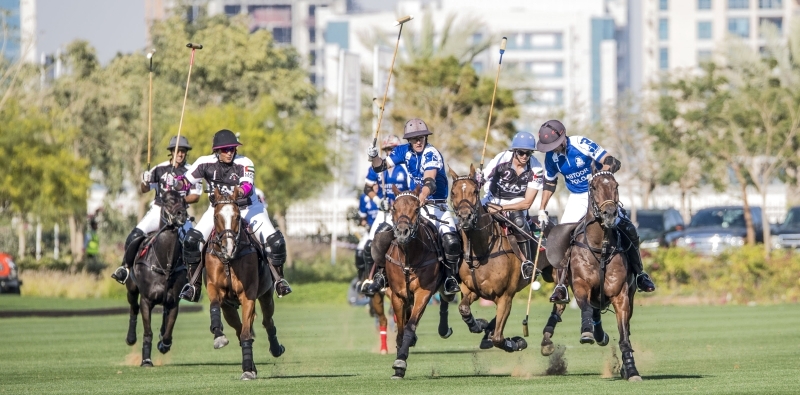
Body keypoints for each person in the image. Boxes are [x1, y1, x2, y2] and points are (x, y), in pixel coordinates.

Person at [535, 120, 656, 304]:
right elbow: (549, 183)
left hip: (600, 194)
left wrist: (600, 176)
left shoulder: (581, 143)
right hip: (577, 197)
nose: (553, 149)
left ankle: (640, 274)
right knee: (561, 235)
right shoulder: (551, 158)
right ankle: (561, 285)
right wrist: (542, 208)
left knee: (626, 227)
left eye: (555, 145)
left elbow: (609, 160)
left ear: (563, 136)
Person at [172, 129, 292, 301]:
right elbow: (185, 183)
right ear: (217, 151)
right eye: (225, 149)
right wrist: (175, 183)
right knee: (192, 242)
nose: (229, 152)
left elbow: (248, 186)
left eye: (232, 149)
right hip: (218, 210)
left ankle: (279, 281)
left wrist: (239, 192)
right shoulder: (204, 163)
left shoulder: (244, 162)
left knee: (276, 242)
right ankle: (193, 285)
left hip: (248, 208)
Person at [364, 119, 461, 296]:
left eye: (421, 137)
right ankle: (382, 274)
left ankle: (449, 277)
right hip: (413, 206)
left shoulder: (431, 153)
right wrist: (374, 157)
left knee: (451, 240)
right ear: (408, 140)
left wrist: (422, 196)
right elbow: (380, 167)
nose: (418, 141)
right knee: (385, 233)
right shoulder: (403, 151)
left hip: (435, 205)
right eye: (414, 138)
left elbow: (429, 181)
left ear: (425, 137)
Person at [111, 136, 202, 284]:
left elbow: (196, 196)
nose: (180, 154)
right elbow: (144, 190)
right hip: (159, 210)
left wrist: (178, 199)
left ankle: (192, 281)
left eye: (183, 151)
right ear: (171, 152)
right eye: (178, 151)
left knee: (193, 242)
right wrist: (145, 181)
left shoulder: (190, 171)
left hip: (179, 213)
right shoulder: (159, 169)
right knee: (134, 235)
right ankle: (125, 268)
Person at [480, 131, 544, 280]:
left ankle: (526, 263)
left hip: (517, 205)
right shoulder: (501, 158)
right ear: (514, 151)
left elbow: (527, 202)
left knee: (520, 222)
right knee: (468, 218)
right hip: (492, 199)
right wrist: (478, 179)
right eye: (521, 152)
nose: (524, 157)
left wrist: (502, 209)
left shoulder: (536, 168)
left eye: (528, 153)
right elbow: (483, 177)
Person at [359, 135, 412, 295]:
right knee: (369, 246)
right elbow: (367, 189)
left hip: (403, 213)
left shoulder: (407, 167)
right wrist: (378, 201)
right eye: (388, 149)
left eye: (393, 149)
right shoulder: (376, 169)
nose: (390, 152)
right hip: (384, 212)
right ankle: (371, 278)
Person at [354, 192, 379, 287]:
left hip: (385, 230)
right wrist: (366, 225)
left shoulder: (384, 194)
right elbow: (362, 219)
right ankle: (362, 278)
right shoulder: (364, 197)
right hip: (370, 232)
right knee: (360, 252)